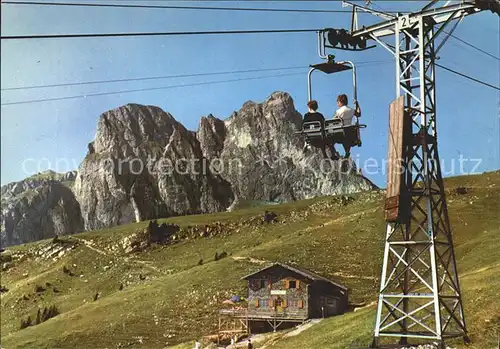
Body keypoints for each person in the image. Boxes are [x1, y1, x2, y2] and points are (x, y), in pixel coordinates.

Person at [332, 94, 361, 158]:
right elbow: (358, 114)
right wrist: (357, 105)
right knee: (346, 140)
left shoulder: (338, 111)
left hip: (340, 132)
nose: (337, 103)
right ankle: (347, 151)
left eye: (338, 102)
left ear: (340, 102)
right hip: (349, 132)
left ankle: (333, 152)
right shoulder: (351, 110)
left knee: (332, 138)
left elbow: (333, 121)